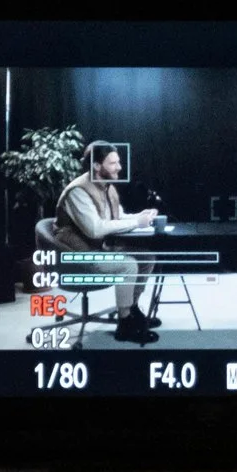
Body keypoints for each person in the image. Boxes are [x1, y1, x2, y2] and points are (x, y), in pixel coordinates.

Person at [52, 142, 159, 342]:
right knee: (128, 265)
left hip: (95, 249)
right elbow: (95, 229)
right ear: (96, 166)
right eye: (113, 163)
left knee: (146, 257)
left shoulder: (106, 186)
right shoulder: (78, 191)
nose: (119, 167)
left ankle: (132, 310)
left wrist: (139, 216)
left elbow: (117, 217)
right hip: (75, 257)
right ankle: (125, 324)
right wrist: (136, 222)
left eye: (118, 162)